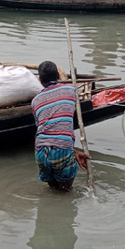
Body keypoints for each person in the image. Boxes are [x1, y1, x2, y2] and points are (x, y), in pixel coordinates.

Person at [31, 61, 84, 192]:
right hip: (62, 149)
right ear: (59, 76)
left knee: (53, 191)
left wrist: (73, 152)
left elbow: (47, 129)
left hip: (40, 152)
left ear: (40, 80)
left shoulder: (35, 101)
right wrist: (69, 151)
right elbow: (59, 129)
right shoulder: (71, 90)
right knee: (65, 192)